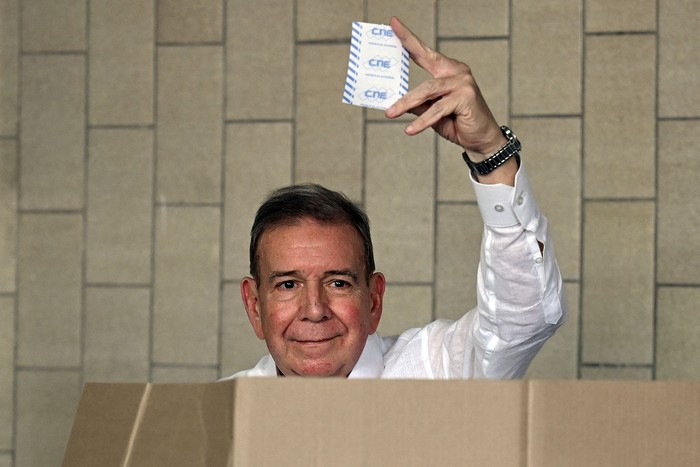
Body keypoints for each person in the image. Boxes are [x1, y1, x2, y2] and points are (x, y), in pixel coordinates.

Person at [224, 17, 566, 379]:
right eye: (288, 284)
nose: (314, 309)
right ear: (254, 306)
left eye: (338, 282)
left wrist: (489, 151)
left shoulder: (437, 370)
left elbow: (523, 319)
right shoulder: (214, 415)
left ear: (373, 300)